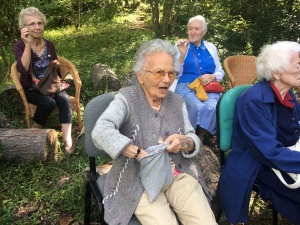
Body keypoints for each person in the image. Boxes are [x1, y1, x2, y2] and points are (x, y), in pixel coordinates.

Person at [91, 39, 217, 225]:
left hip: (177, 174)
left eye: (171, 73)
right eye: (159, 73)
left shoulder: (177, 102)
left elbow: (192, 138)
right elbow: (101, 131)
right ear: (141, 75)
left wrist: (184, 142)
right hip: (137, 179)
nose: (166, 79)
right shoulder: (127, 99)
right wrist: (135, 151)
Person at [217, 41, 300, 224]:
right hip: (257, 163)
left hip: (284, 156)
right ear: (276, 73)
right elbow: (267, 152)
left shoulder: (288, 94)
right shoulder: (252, 100)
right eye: (297, 65)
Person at [13, 7, 73, 153]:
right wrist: (28, 44)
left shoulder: (50, 45)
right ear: (24, 28)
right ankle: (35, 130)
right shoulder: (19, 46)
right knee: (48, 102)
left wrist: (55, 66)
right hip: (32, 88)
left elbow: (56, 73)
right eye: (32, 24)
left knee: (64, 99)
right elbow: (23, 69)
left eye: (40, 23)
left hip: (50, 85)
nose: (37, 27)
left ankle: (67, 139)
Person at [170, 15, 225, 143]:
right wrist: (182, 55)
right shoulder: (180, 47)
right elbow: (175, 73)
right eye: (190, 29)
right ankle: (188, 136)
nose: (192, 32)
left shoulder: (211, 48)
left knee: (213, 107)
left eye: (196, 29)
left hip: (207, 86)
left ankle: (200, 136)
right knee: (198, 107)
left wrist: (212, 76)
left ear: (204, 31)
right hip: (185, 85)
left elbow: (220, 71)